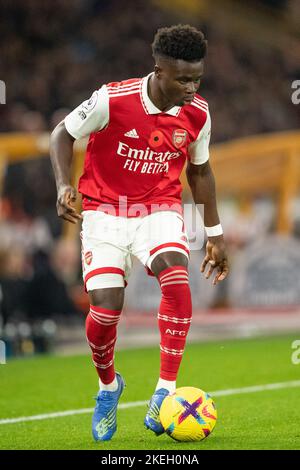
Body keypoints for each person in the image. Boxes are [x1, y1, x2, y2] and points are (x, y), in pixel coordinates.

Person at [50, 24, 229, 442]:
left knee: (176, 277)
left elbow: (200, 171)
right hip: (104, 212)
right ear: (158, 70)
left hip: (158, 209)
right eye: (182, 78)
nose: (191, 86)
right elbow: (62, 133)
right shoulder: (113, 98)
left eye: (197, 77)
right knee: (105, 312)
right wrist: (62, 185)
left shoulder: (198, 112)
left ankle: (164, 392)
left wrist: (215, 233)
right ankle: (108, 387)